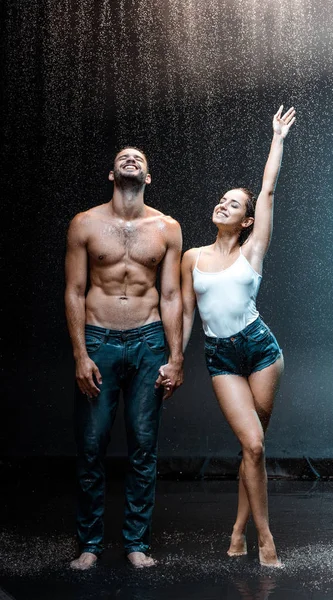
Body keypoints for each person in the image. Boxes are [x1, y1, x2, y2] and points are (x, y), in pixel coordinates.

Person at [178, 106, 295, 566]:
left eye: (233, 203)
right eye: (220, 199)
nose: (222, 204)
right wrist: (174, 359)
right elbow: (185, 312)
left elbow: (267, 189)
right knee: (252, 444)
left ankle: (241, 531)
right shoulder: (192, 256)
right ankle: (265, 540)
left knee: (254, 449)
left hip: (261, 350)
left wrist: (277, 138)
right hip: (222, 356)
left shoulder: (254, 248)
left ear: (246, 220)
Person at [65, 147, 183, 570]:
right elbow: (75, 291)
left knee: (144, 447)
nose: (131, 158)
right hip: (99, 340)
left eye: (139, 157)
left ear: (148, 176)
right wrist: (80, 354)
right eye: (122, 156)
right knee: (92, 446)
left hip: (149, 341)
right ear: (111, 173)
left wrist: (176, 357)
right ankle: (90, 545)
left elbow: (170, 296)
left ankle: (137, 543)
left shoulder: (167, 228)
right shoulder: (84, 223)